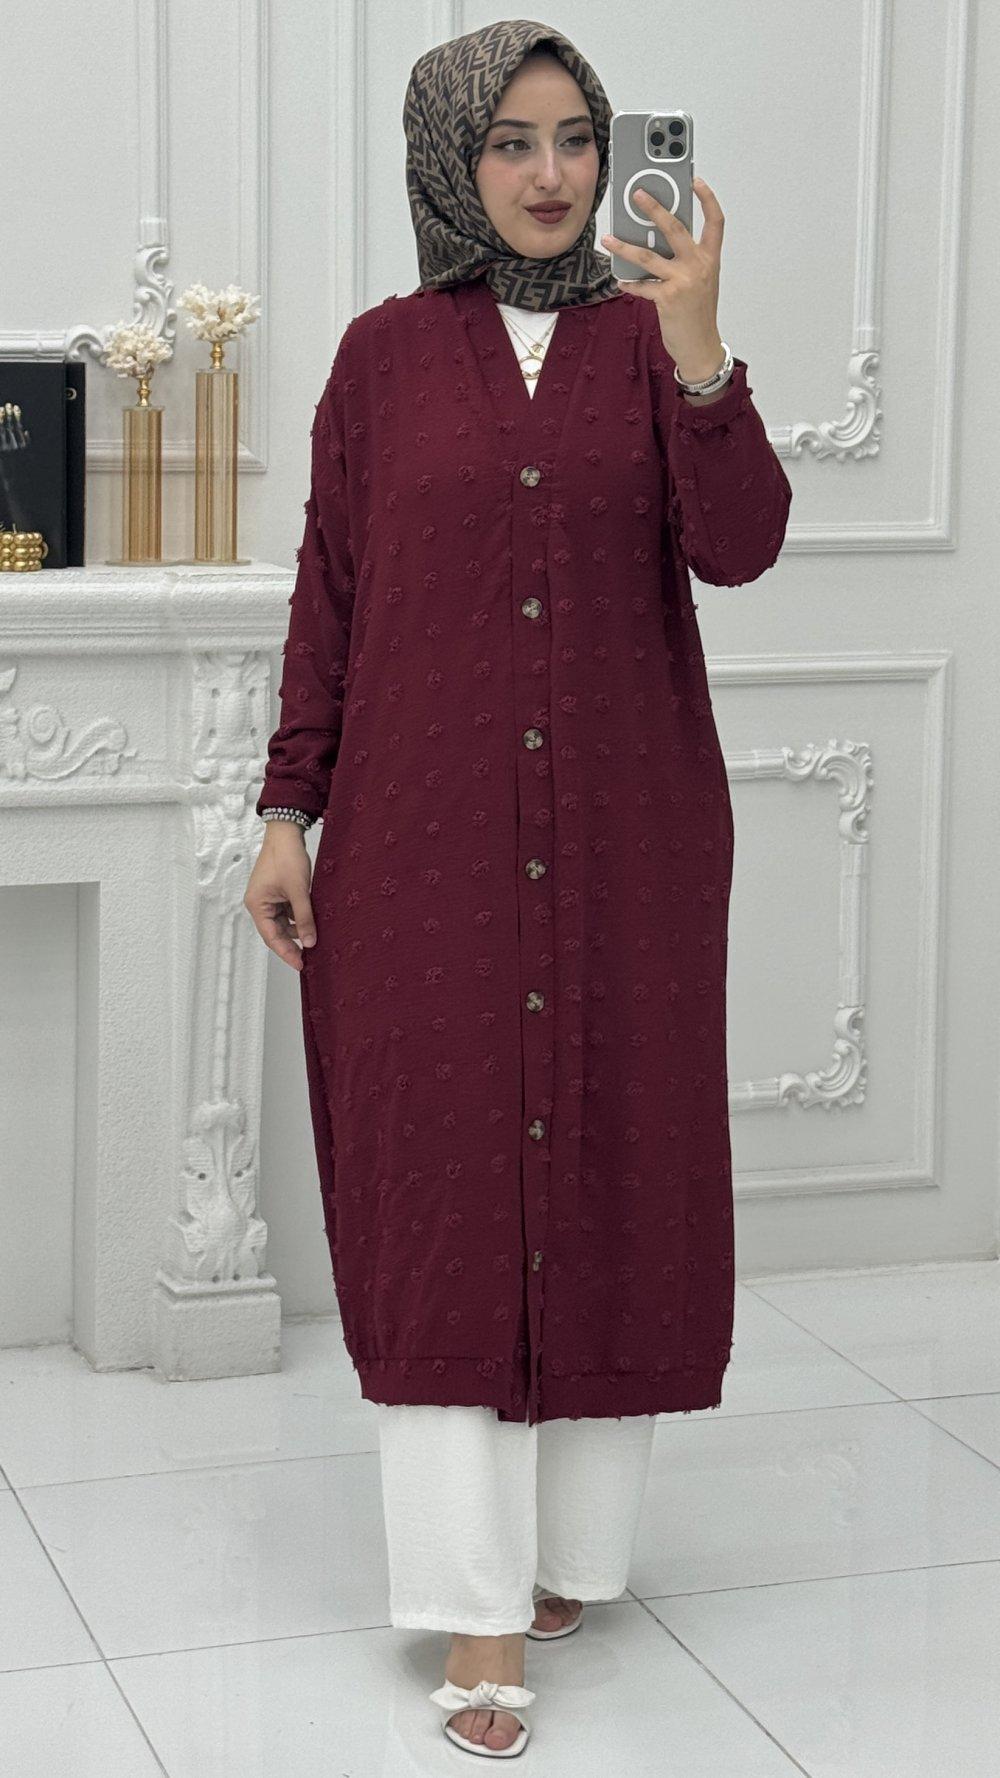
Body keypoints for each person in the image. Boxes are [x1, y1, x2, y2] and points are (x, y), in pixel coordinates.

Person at [244, 18, 792, 1759]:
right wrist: (287, 805)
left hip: (631, 836)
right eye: (510, 143)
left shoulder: (649, 342)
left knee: (614, 1164)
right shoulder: (382, 359)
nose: (550, 176)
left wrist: (700, 345)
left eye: (575, 138)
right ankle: (475, 1602)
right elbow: (331, 590)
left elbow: (743, 543)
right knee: (444, 1182)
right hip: (422, 846)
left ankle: (567, 1556)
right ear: (449, 161)